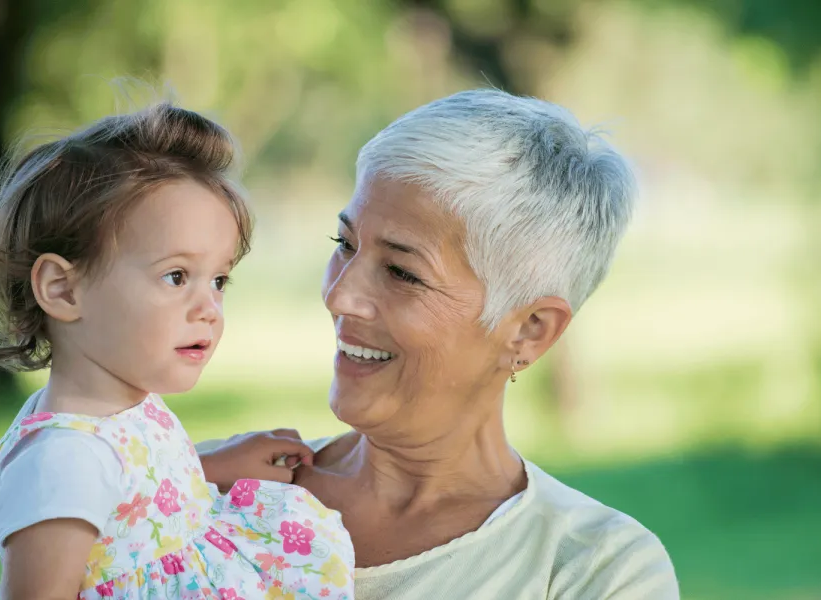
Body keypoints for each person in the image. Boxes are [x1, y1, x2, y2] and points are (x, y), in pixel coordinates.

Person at [199, 89, 679, 599]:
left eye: (402, 272)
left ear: (530, 329)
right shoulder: (206, 489)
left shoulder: (594, 569)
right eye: (345, 245)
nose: (340, 297)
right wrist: (182, 479)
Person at [0, 102, 354, 600]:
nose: (209, 308)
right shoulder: (61, 463)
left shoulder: (118, 407)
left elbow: (129, 497)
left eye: (218, 280)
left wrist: (211, 467)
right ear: (63, 290)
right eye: (176, 276)